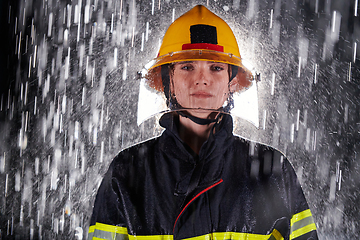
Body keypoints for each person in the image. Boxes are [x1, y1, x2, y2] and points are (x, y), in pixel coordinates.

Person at [88, 5, 318, 240]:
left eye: (216, 68)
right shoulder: (128, 172)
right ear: (169, 82)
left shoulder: (272, 170)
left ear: (231, 84)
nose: (201, 79)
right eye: (187, 67)